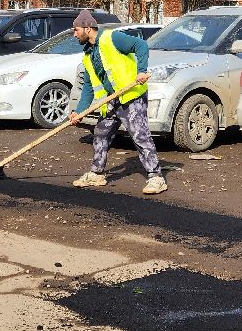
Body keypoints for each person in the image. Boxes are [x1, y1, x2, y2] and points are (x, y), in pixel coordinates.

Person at [67, 10, 167, 195]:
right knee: (101, 134)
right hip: (112, 100)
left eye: (76, 30)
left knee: (140, 135)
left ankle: (156, 177)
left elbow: (141, 45)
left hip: (131, 96)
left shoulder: (110, 38)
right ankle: (97, 174)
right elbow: (88, 88)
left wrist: (141, 70)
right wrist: (79, 112)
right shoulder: (88, 56)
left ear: (88, 29)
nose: (74, 34)